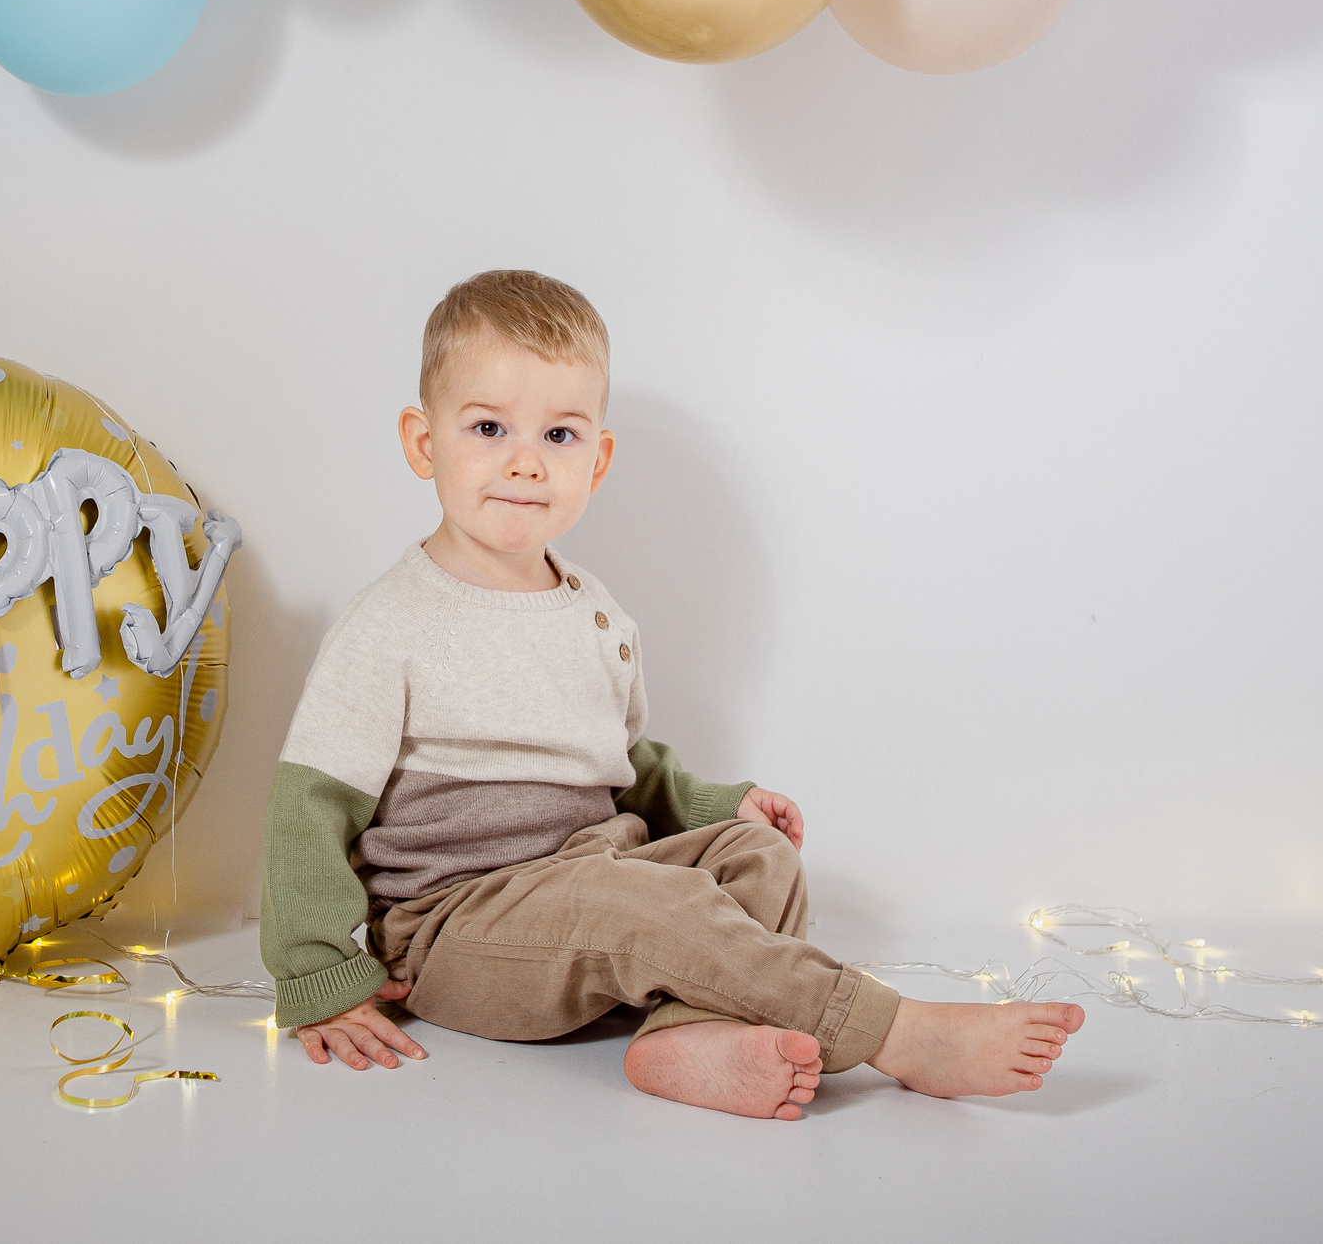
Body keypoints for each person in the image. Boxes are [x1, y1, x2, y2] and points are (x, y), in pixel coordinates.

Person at [259, 270, 1084, 1119]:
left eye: (560, 433)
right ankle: (895, 1032)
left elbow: (626, 764)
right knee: (637, 902)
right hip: (456, 929)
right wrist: (318, 971)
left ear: (599, 459)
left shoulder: (595, 611)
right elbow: (308, 808)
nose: (525, 459)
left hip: (592, 879)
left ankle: (682, 1037)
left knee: (760, 858)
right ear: (423, 441)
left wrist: (718, 804)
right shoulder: (390, 622)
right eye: (488, 426)